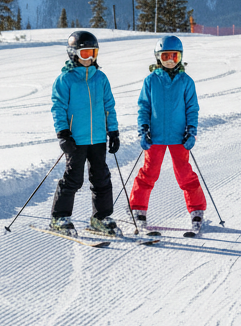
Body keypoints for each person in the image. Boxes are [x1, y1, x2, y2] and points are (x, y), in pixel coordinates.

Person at [129, 35, 206, 233]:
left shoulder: (186, 82)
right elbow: (143, 107)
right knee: (148, 173)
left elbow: (192, 109)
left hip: (179, 137)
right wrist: (143, 129)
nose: (170, 60)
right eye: (165, 56)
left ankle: (196, 210)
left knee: (184, 174)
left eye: (174, 55)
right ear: (158, 58)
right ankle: (138, 210)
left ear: (181, 57)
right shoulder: (151, 81)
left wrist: (191, 131)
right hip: (155, 137)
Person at [49, 29, 121, 237]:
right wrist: (63, 134)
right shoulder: (66, 80)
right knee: (73, 178)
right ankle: (59, 217)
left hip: (98, 137)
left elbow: (109, 106)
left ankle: (100, 218)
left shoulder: (101, 78)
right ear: (73, 54)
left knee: (101, 178)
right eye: (85, 53)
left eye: (93, 53)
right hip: (76, 139)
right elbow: (58, 108)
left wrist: (113, 131)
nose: (89, 58)